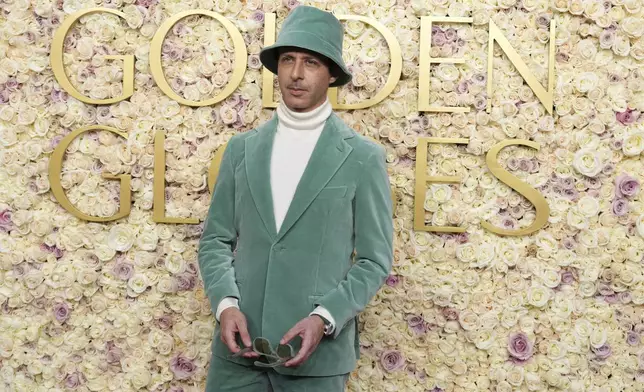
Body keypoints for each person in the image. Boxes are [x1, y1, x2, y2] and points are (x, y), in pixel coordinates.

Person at [198, 5, 394, 391]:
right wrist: (225, 305)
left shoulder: (362, 157)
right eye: (287, 59)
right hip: (237, 356)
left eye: (311, 62)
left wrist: (324, 317)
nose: (296, 74)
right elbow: (215, 240)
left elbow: (374, 260)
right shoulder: (241, 150)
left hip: (315, 364)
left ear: (332, 73)